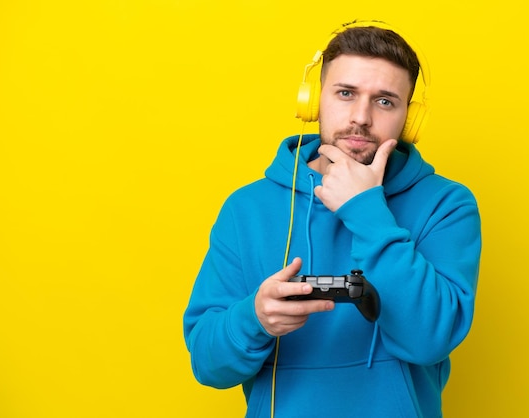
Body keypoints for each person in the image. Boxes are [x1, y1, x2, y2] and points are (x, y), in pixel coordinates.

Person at [183, 20, 481, 418]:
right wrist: (254, 318)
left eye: (385, 101)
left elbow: (429, 339)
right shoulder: (247, 209)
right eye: (345, 93)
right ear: (313, 101)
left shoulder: (447, 204)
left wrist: (367, 211)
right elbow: (207, 365)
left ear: (409, 120)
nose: (361, 117)